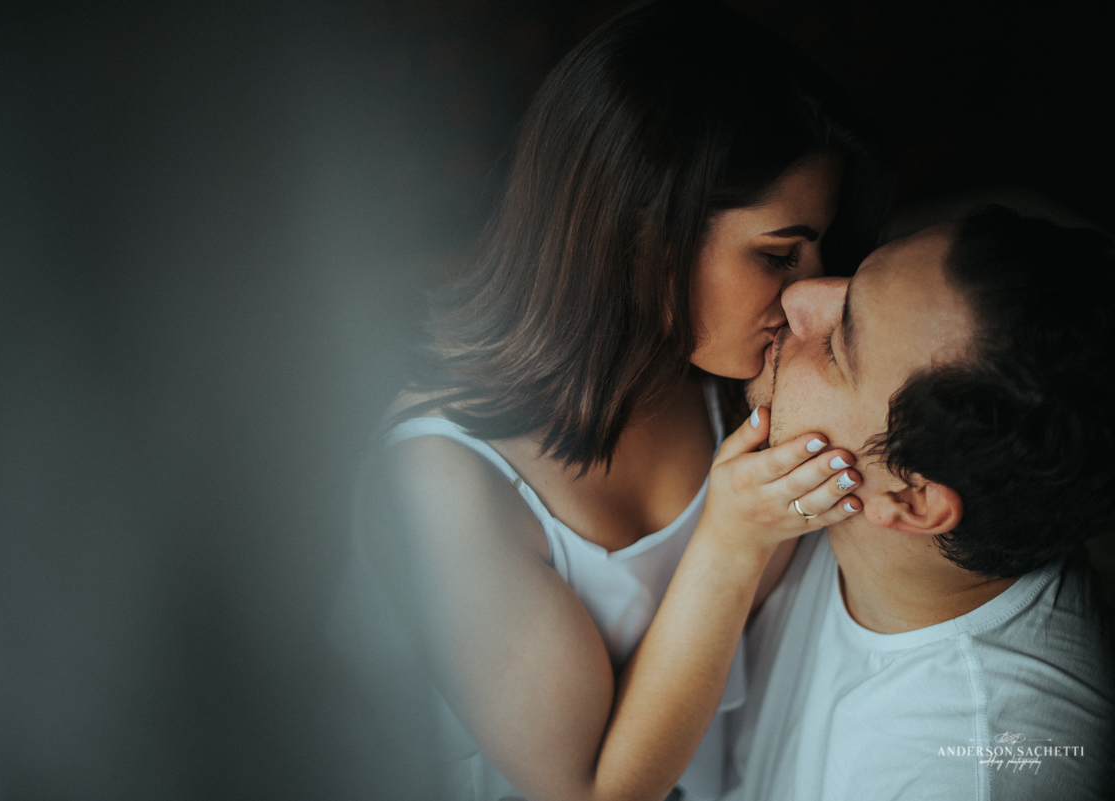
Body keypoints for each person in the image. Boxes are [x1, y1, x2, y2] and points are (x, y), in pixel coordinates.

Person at [325, 1, 889, 800]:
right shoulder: (442, 479)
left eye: (818, 248)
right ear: (641, 237)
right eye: (776, 254)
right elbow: (585, 790)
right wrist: (729, 540)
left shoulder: (734, 382)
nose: (810, 291)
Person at [711, 205, 1114, 800]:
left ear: (911, 499)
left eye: (837, 347)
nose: (798, 296)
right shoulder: (857, 513)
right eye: (854, 279)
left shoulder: (958, 774)